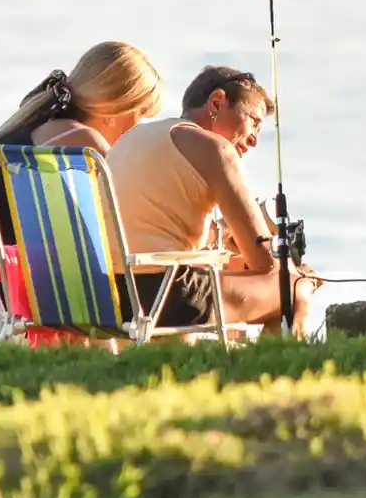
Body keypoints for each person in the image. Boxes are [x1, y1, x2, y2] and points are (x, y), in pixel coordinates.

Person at [106, 65, 322, 336]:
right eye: (253, 121)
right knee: (291, 285)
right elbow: (264, 262)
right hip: (166, 296)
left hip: (110, 295)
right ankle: (277, 369)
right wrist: (298, 274)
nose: (254, 140)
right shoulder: (214, 149)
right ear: (217, 102)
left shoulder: (135, 138)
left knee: (271, 281)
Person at [0, 40, 165, 253]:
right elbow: (132, 223)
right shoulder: (84, 144)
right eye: (141, 115)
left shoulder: (32, 128)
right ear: (118, 108)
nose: (138, 128)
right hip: (11, 281)